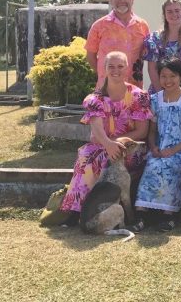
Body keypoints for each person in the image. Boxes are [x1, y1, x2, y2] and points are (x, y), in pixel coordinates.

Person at [60, 51, 152, 220]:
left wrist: (115, 143)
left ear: (127, 68)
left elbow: (142, 131)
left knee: (105, 158)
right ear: (104, 69)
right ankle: (76, 211)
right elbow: (95, 127)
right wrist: (108, 144)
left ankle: (99, 209)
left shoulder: (138, 96)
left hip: (129, 147)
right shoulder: (95, 98)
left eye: (120, 66)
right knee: (86, 157)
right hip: (101, 144)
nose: (116, 70)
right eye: (111, 66)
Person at [133, 58, 181, 232]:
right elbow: (152, 130)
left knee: (169, 167)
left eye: (173, 76)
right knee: (152, 166)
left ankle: (168, 216)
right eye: (163, 76)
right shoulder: (155, 100)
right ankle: (141, 214)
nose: (168, 80)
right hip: (160, 150)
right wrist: (154, 147)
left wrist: (174, 150)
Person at [85, 0, 150, 88]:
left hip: (134, 89)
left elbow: (146, 54)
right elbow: (90, 55)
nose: (121, 1)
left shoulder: (142, 25)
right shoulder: (99, 26)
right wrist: (103, 74)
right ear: (110, 0)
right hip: (107, 89)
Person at [142, 0, 181, 93]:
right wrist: (160, 95)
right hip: (161, 91)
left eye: (177, 11)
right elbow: (152, 69)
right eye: (169, 11)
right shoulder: (155, 39)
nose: (174, 14)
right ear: (164, 15)